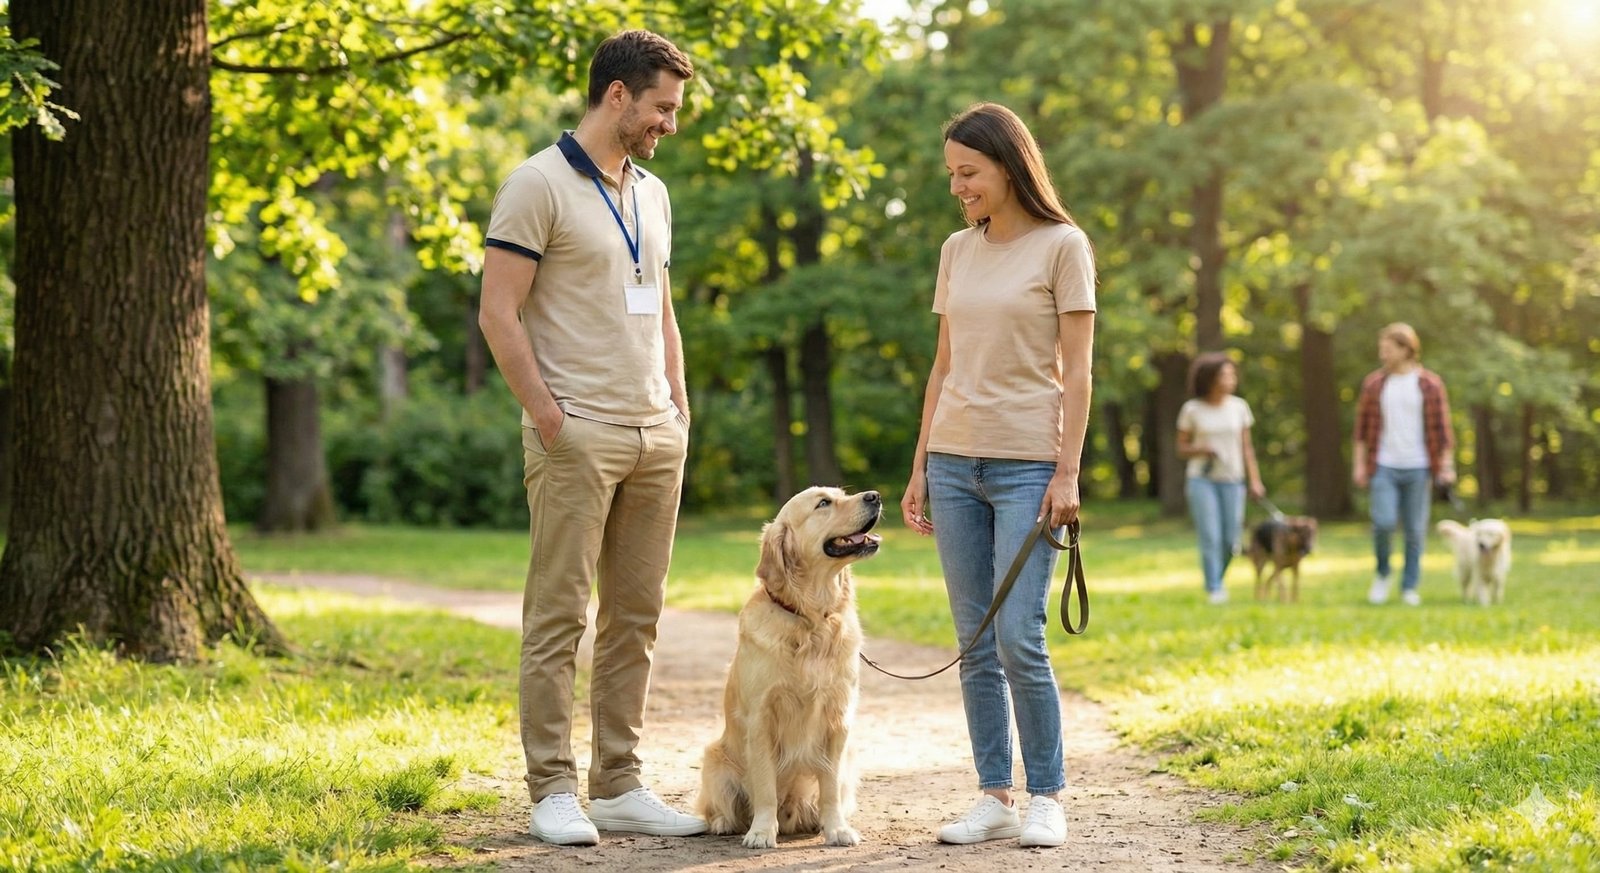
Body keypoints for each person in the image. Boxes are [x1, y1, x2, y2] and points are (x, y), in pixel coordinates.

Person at [478, 30, 706, 846]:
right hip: (578, 432)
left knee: (635, 618)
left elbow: (662, 302)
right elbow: (497, 311)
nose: (668, 124)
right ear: (618, 95)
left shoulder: (653, 191)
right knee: (559, 616)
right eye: (661, 108)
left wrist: (677, 403)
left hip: (654, 433)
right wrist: (548, 414)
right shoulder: (535, 184)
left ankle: (618, 783)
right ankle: (551, 788)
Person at [900, 102, 1095, 849]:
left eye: (969, 172)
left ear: (1009, 168)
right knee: (974, 638)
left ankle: (1046, 792)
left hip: (1029, 467)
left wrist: (1067, 471)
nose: (959, 187)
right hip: (953, 460)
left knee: (1020, 635)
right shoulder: (957, 250)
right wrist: (919, 464)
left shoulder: (1062, 246)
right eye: (953, 174)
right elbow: (943, 365)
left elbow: (1077, 373)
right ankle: (993, 793)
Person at [1352, 322, 1456, 606]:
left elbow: (1443, 431)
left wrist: (1446, 466)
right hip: (1383, 463)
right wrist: (1359, 465)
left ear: (1406, 349)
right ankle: (1383, 573)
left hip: (1419, 465)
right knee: (1383, 523)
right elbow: (1361, 430)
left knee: (1414, 530)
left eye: (1388, 348)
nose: (1382, 354)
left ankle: (1409, 586)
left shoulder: (1429, 384)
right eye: (1381, 348)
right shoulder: (1374, 384)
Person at [1176, 353, 1266, 605]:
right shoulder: (1192, 409)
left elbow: (1246, 448)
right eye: (1225, 374)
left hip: (1232, 479)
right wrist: (1201, 449)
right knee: (1210, 536)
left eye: (1232, 374)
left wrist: (1255, 481)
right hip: (1201, 479)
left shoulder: (1239, 407)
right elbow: (1181, 448)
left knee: (1231, 541)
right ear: (1210, 379)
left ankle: (1217, 578)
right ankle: (1214, 587)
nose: (1231, 379)